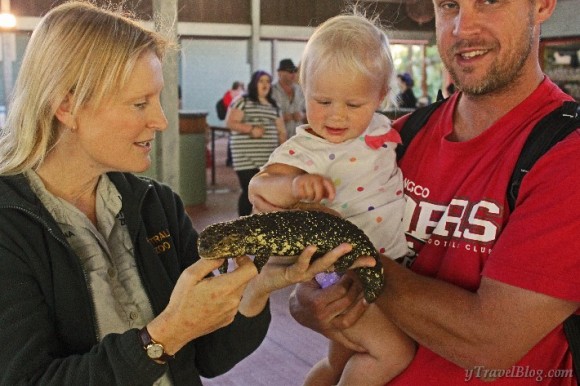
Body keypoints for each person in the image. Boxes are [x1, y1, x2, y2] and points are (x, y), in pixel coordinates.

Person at [0, 2, 356, 384]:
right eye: (139, 104)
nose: (162, 120)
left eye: (157, 98)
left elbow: (208, 357)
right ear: (67, 106)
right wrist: (165, 334)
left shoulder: (156, 205)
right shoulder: (11, 223)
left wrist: (258, 285)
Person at [255, 0, 580, 384]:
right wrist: (310, 299)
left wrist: (344, 247)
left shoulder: (565, 153)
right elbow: (308, 291)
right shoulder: (395, 141)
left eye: (489, 1)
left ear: (542, 5)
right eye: (448, 5)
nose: (463, 27)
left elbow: (488, 343)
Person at [249, 13, 415, 386]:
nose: (336, 115)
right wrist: (293, 186)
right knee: (393, 352)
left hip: (384, 264)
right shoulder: (307, 148)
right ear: (303, 89)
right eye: (322, 100)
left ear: (381, 95)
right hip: (340, 270)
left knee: (340, 362)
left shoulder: (380, 130)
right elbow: (259, 187)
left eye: (353, 105)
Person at [226, 70, 287, 216]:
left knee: (265, 192)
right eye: (261, 81)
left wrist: (284, 154)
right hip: (245, 156)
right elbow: (231, 122)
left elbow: (281, 131)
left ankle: (259, 224)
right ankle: (243, 226)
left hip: (267, 157)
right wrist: (251, 129)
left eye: (267, 81)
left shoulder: (274, 105)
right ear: (254, 83)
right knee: (248, 189)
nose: (265, 85)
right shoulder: (243, 101)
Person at [271, 58, 306, 138]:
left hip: (298, 139)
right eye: (290, 71)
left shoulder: (300, 90)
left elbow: (308, 111)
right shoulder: (271, 91)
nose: (293, 74)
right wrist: (284, 118)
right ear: (280, 73)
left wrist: (302, 115)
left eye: (295, 71)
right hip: (277, 139)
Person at [222, 81, 245, 167]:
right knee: (232, 140)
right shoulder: (232, 95)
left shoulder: (230, 94)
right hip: (233, 120)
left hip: (235, 119)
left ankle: (232, 159)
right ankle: (231, 160)